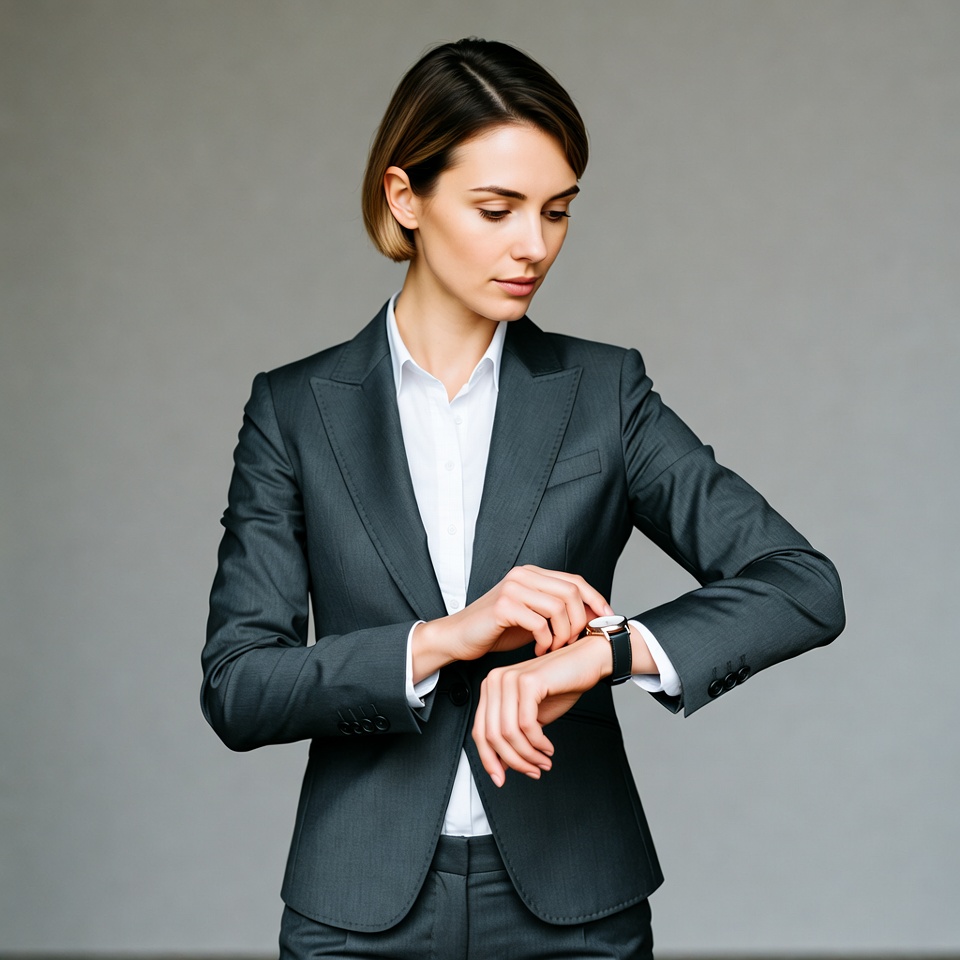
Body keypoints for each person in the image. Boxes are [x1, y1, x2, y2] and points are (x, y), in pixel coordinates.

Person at [201, 38, 845, 959]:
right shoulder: (294, 410)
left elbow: (801, 584)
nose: (534, 245)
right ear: (404, 197)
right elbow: (238, 684)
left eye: (557, 211)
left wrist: (601, 656)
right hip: (356, 910)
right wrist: (446, 640)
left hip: (576, 903)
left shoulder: (605, 393)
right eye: (497, 209)